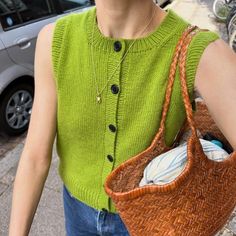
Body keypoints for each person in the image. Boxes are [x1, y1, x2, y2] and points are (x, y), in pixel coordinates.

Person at [8, 0, 236, 235]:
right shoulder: (55, 40)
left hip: (154, 221)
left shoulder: (198, 51)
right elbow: (35, 156)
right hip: (76, 212)